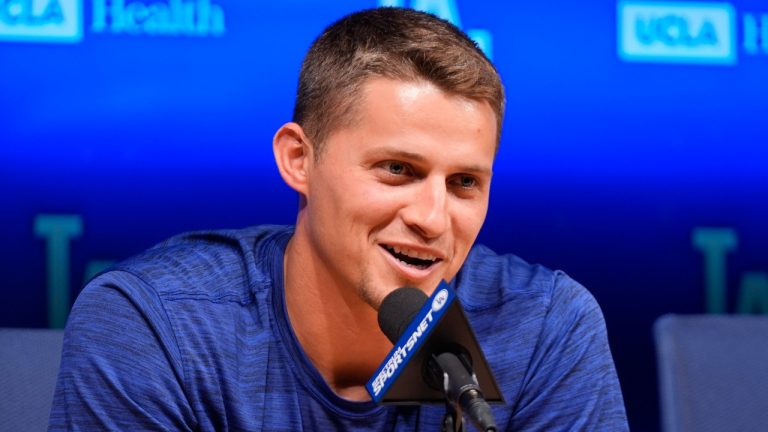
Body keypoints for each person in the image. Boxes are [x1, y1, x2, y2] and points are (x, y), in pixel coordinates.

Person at [49, 7, 628, 431]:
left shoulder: (546, 327)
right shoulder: (157, 327)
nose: (432, 219)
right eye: (397, 169)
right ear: (299, 160)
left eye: (464, 184)